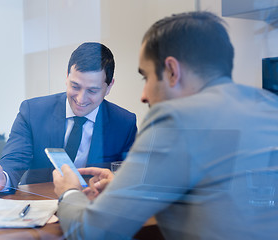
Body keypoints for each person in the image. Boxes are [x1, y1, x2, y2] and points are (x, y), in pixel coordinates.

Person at [53, 12, 278, 239]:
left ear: (172, 70)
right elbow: (217, 192)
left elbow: (92, 233)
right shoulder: (271, 107)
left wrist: (69, 192)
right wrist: (129, 187)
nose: (143, 95)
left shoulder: (175, 118)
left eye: (146, 77)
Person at [0, 42, 137, 194]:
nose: (81, 99)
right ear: (66, 76)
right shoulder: (33, 112)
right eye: (75, 86)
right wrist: (0, 178)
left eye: (92, 91)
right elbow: (14, 160)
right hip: (38, 205)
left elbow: (128, 178)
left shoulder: (124, 123)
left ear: (109, 87)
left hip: (92, 209)